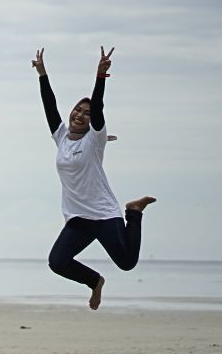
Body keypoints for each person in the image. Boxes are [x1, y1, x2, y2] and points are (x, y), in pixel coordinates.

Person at [33, 47, 156, 310]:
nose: (79, 115)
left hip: (103, 215)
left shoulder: (95, 138)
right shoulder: (61, 137)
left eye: (86, 114)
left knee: (126, 263)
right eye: (77, 110)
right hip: (78, 218)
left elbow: (98, 108)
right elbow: (49, 105)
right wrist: (42, 74)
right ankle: (95, 281)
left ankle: (134, 211)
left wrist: (100, 76)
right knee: (57, 261)